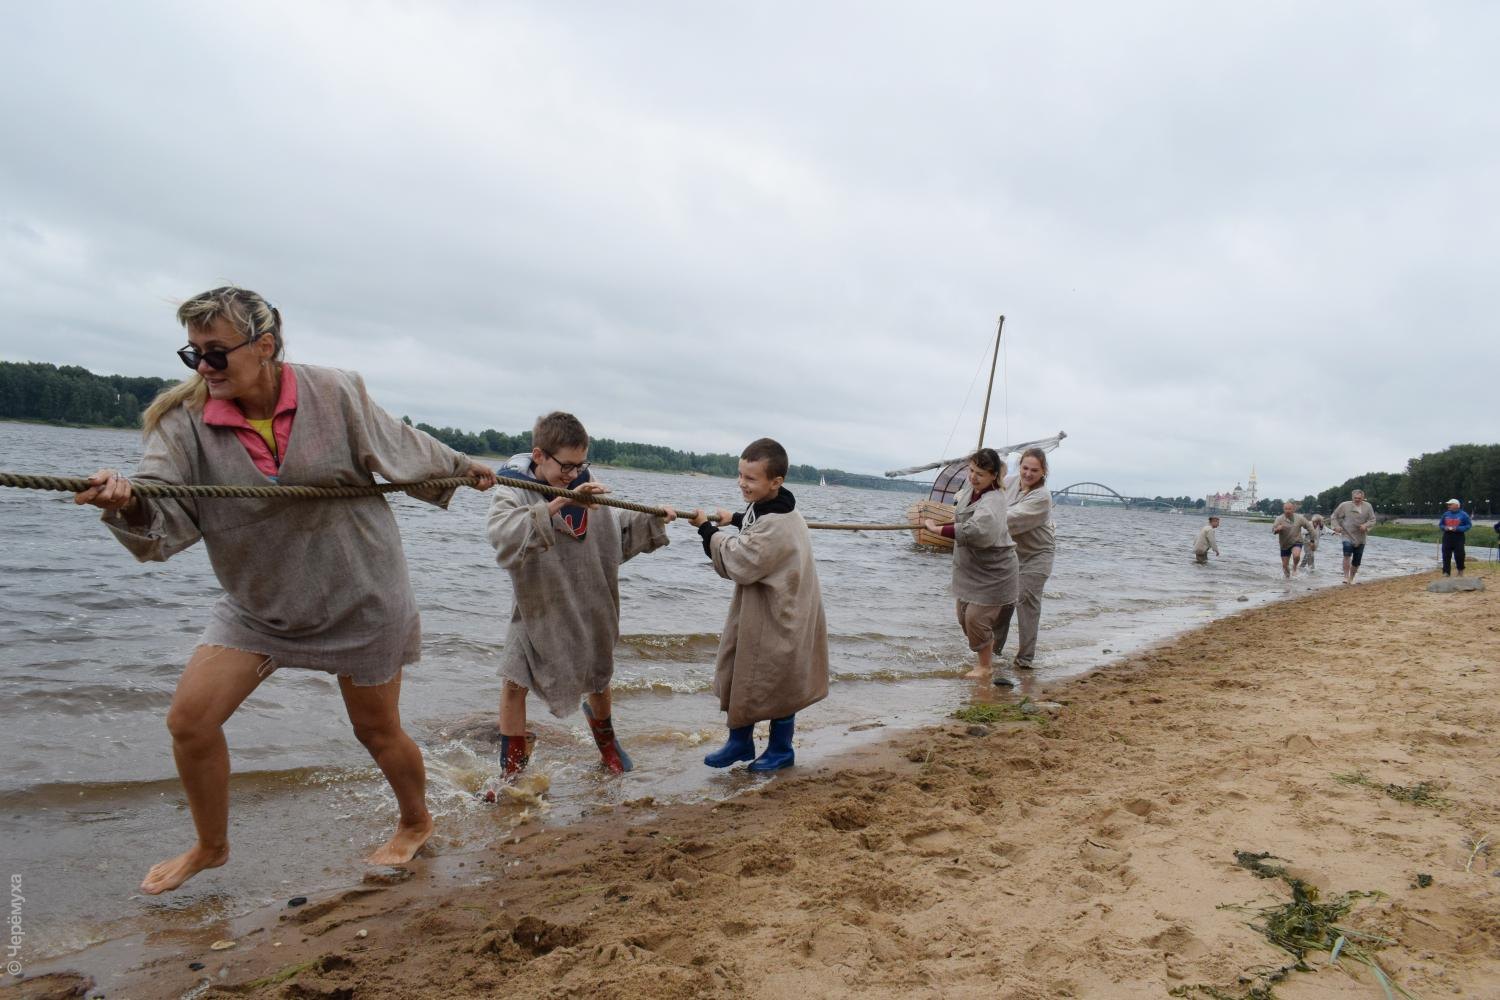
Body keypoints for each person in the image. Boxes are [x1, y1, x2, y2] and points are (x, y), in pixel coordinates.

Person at [73, 286, 495, 895]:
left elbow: (401, 444)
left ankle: (415, 820)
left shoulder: (335, 391)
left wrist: (462, 465)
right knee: (190, 721)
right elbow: (158, 500)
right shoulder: (182, 422)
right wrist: (128, 502)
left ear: (264, 345)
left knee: (376, 731)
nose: (203, 368)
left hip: (361, 593)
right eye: (193, 355)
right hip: (260, 604)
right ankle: (211, 846)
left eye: (215, 352)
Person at [484, 412, 675, 785]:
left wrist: (654, 520)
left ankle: (608, 749)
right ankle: (512, 774)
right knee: (513, 681)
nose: (573, 475)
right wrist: (557, 503)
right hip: (537, 607)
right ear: (539, 455)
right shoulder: (512, 490)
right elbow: (503, 537)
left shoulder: (591, 492)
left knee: (599, 678)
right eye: (566, 467)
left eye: (580, 465)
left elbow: (618, 537)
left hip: (591, 602)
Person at [688, 439, 828, 772]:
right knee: (742, 670)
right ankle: (740, 742)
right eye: (740, 475)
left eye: (751, 479)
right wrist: (734, 518)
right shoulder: (773, 506)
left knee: (778, 679)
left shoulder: (778, 523)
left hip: (782, 612)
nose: (742, 483)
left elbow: (741, 560)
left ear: (775, 482)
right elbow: (755, 524)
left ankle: (781, 750)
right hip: (767, 606)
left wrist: (706, 530)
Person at [921, 448, 1019, 681]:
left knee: (975, 618)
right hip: (970, 570)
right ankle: (988, 652)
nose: (973, 477)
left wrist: (939, 530)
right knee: (963, 617)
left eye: (980, 473)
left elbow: (979, 531)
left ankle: (986, 666)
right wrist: (939, 523)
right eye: (971, 470)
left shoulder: (994, 500)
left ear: (994, 476)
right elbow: (963, 518)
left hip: (994, 572)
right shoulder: (969, 491)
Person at [992, 447, 1055, 673]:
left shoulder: (1042, 497)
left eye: (1034, 470)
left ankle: (1025, 659)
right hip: (1014, 554)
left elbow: (1011, 518)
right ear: (1019, 467)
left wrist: (979, 519)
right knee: (1002, 602)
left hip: (1038, 555)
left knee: (1024, 601)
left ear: (1043, 471)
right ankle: (992, 653)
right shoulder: (1008, 482)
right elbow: (989, 496)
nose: (1028, 474)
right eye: (1025, 468)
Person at [1331, 489, 1378, 584]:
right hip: (1347, 534)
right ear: (1352, 497)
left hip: (1361, 536)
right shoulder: (1344, 505)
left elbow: (1373, 520)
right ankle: (1345, 577)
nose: (1357, 500)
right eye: (1355, 498)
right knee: (1347, 553)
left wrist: (1365, 526)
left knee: (1357, 560)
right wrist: (1336, 526)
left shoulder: (1368, 506)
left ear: (1363, 498)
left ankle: (1351, 578)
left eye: (1359, 498)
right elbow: (1334, 516)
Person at [1271, 501, 1312, 578]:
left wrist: (1312, 540)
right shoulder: (1279, 518)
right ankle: (1288, 582)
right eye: (1286, 509)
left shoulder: (1300, 518)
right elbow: (1273, 530)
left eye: (1289, 509)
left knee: (1296, 555)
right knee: (1285, 566)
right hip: (1284, 544)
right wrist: (1277, 529)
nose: (1288, 511)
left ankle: (1295, 567)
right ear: (1283, 509)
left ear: (1293, 509)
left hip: (1297, 541)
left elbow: (1310, 527)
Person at [1438, 499, 1471, 576]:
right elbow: (1440, 524)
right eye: (1448, 504)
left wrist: (1458, 528)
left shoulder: (1464, 515)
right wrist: (1444, 527)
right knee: (1446, 554)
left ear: (1456, 505)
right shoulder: (1445, 514)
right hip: (1447, 536)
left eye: (1450, 504)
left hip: (1458, 536)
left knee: (1460, 554)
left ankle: (1460, 570)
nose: (1448, 506)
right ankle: (1446, 572)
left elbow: (1468, 525)